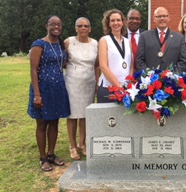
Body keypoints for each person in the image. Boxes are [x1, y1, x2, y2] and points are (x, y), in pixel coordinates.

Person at [27, 15, 70, 172]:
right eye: (53, 24)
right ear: (47, 26)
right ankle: (43, 157)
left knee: (54, 122)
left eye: (59, 24)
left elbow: (64, 63)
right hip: (43, 88)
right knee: (42, 123)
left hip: (58, 87)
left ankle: (51, 154)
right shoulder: (39, 44)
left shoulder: (60, 44)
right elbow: (33, 69)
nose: (56, 27)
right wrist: (37, 95)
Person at [64, 17, 99, 160]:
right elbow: (63, 61)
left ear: (90, 28)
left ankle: (82, 143)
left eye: (86, 26)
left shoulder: (95, 43)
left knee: (85, 114)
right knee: (72, 115)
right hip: (72, 82)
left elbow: (97, 65)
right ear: (76, 28)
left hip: (89, 82)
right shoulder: (68, 42)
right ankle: (72, 146)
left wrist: (97, 82)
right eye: (80, 26)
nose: (83, 28)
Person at [136, 7, 186, 73]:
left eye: (164, 16)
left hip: (172, 81)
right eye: (159, 16)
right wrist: (149, 75)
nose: (162, 18)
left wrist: (172, 76)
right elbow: (139, 60)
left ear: (169, 18)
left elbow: (182, 61)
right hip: (151, 81)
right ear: (154, 19)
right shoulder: (144, 36)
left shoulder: (179, 38)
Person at [97, 9, 133, 103]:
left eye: (118, 20)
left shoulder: (127, 42)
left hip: (125, 89)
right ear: (108, 24)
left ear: (123, 22)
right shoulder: (104, 40)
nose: (116, 23)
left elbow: (131, 65)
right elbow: (103, 66)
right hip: (108, 88)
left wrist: (128, 84)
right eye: (112, 21)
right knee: (108, 118)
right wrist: (119, 87)